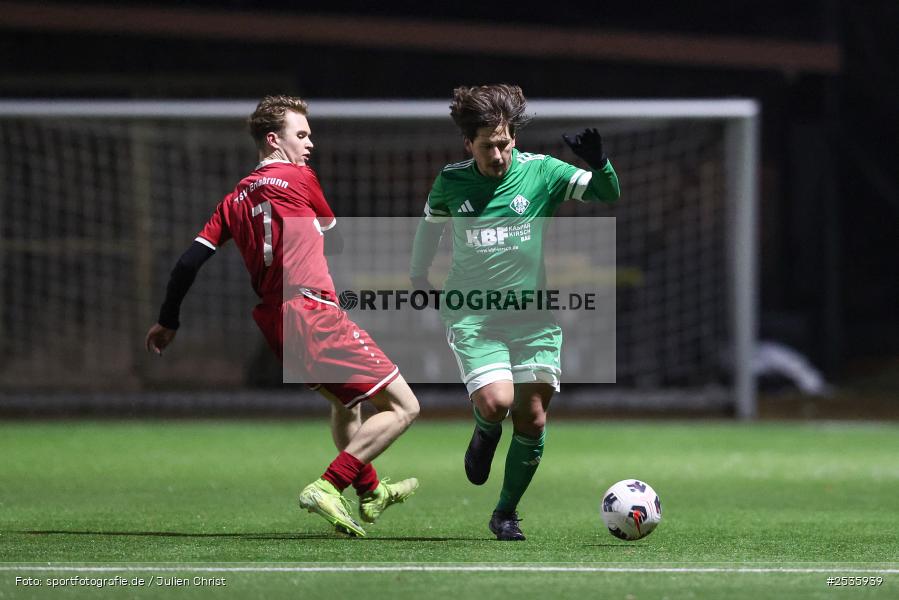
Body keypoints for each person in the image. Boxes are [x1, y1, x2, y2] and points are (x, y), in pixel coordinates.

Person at [145, 95, 420, 538]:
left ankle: (370, 491)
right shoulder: (298, 176)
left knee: (345, 403)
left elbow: (186, 264)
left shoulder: (232, 200)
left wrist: (168, 320)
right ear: (274, 141)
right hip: (313, 310)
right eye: (302, 134)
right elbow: (336, 238)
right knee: (406, 406)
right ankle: (329, 485)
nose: (310, 143)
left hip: (276, 324)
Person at [410, 84, 620, 540]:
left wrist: (599, 162)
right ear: (469, 143)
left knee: (533, 418)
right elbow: (430, 228)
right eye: (487, 146)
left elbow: (607, 193)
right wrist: (418, 275)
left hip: (532, 318)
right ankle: (485, 430)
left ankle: (506, 513)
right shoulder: (452, 180)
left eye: (504, 143)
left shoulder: (541, 172)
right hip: (474, 314)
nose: (498, 154)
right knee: (498, 402)